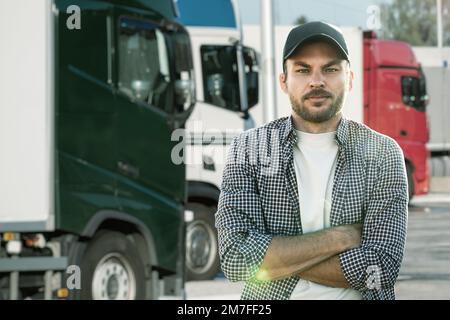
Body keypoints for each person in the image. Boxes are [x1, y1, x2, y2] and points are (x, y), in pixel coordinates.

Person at [215, 21, 408, 300]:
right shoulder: (250, 148)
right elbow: (235, 258)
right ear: (284, 81)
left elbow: (381, 270)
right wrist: (337, 239)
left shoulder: (382, 153)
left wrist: (277, 257)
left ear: (350, 78)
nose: (316, 81)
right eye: (303, 70)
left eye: (330, 69)